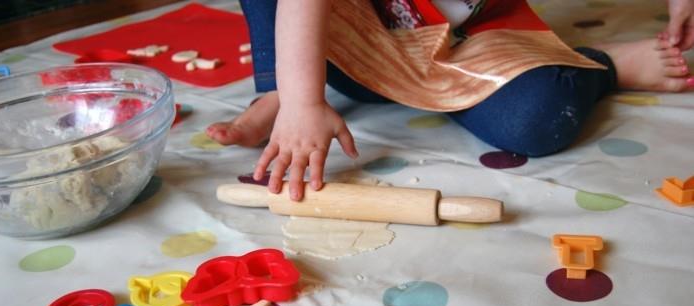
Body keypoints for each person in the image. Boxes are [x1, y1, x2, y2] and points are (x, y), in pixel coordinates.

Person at [207, 0, 694, 201]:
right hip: (353, 40)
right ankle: (280, 90)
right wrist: (302, 101)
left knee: (537, 120)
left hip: (465, 43)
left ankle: (602, 65)